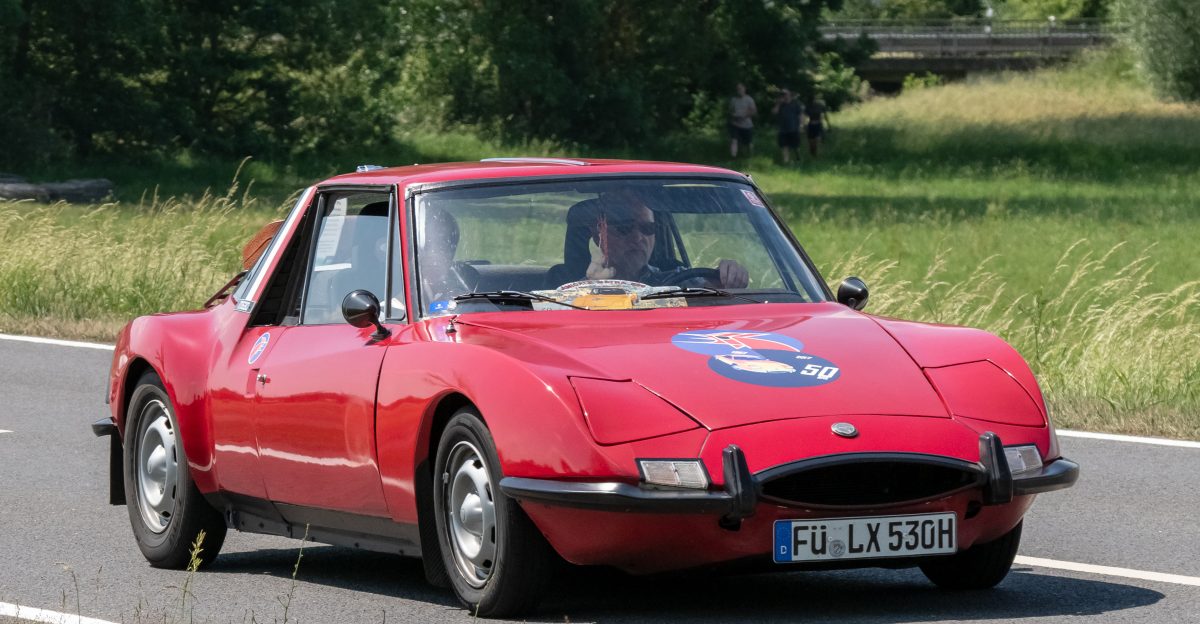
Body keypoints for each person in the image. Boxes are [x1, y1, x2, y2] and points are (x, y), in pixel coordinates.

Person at [585, 191, 749, 289]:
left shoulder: (680, 281)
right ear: (598, 235)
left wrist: (729, 277)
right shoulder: (574, 292)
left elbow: (717, 300)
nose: (637, 237)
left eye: (648, 228)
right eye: (624, 228)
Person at [418, 206, 479, 305]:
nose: (434, 256)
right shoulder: (395, 308)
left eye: (443, 247)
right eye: (427, 246)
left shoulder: (465, 294)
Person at [772, 89, 804, 165]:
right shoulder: (780, 104)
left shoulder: (795, 104)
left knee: (795, 146)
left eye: (785, 94)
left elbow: (801, 115)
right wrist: (778, 104)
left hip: (793, 128)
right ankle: (786, 161)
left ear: (789, 95)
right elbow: (774, 112)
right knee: (784, 146)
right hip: (783, 129)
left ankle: (798, 158)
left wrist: (801, 125)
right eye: (783, 94)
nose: (784, 96)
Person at [728, 83, 757, 158]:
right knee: (734, 140)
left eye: (740, 88)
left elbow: (754, 111)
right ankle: (733, 157)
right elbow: (730, 111)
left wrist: (744, 116)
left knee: (748, 143)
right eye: (738, 89)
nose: (739, 90)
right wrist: (733, 115)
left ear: (744, 89)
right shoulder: (733, 100)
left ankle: (750, 156)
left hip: (747, 125)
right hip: (735, 124)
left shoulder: (749, 99)